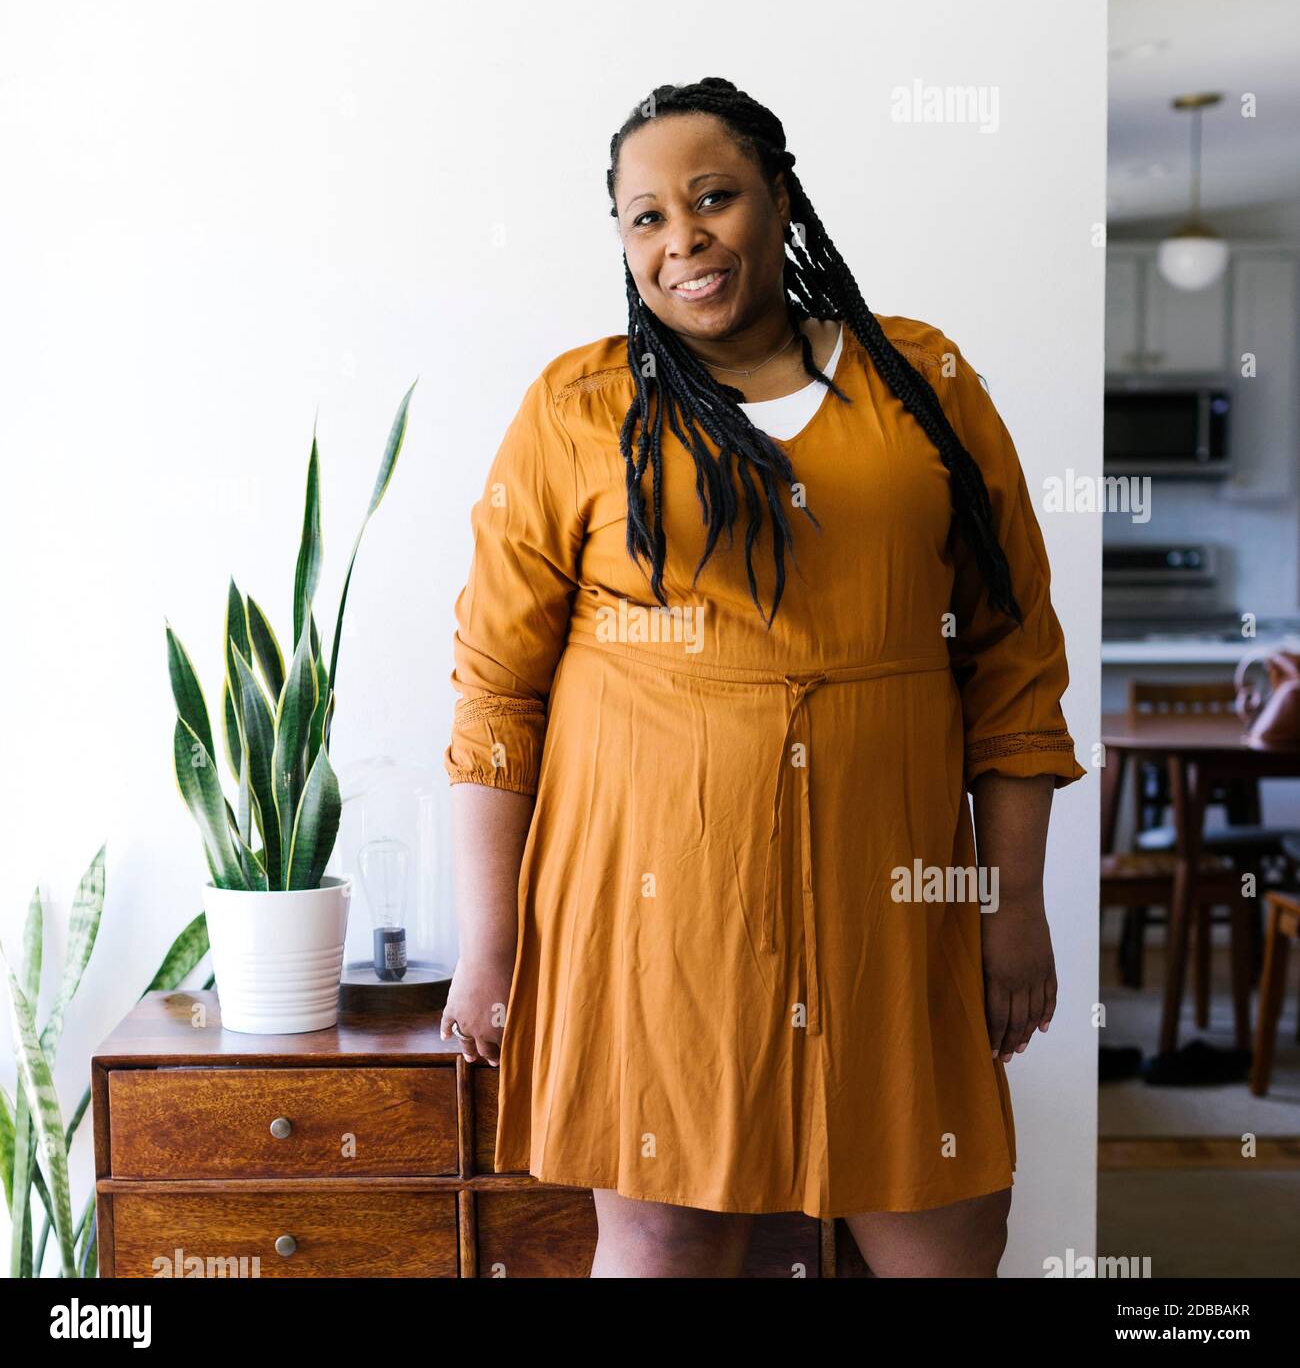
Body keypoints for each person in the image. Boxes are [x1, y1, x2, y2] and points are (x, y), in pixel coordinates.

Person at [441, 76, 1086, 1278]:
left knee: (944, 1220)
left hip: (893, 902)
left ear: (778, 200)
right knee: (667, 1229)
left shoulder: (921, 384)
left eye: (712, 196)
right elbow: (496, 695)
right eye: (644, 216)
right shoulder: (579, 407)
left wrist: (1015, 905)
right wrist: (488, 950)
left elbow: (1011, 662)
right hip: (653, 906)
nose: (680, 237)